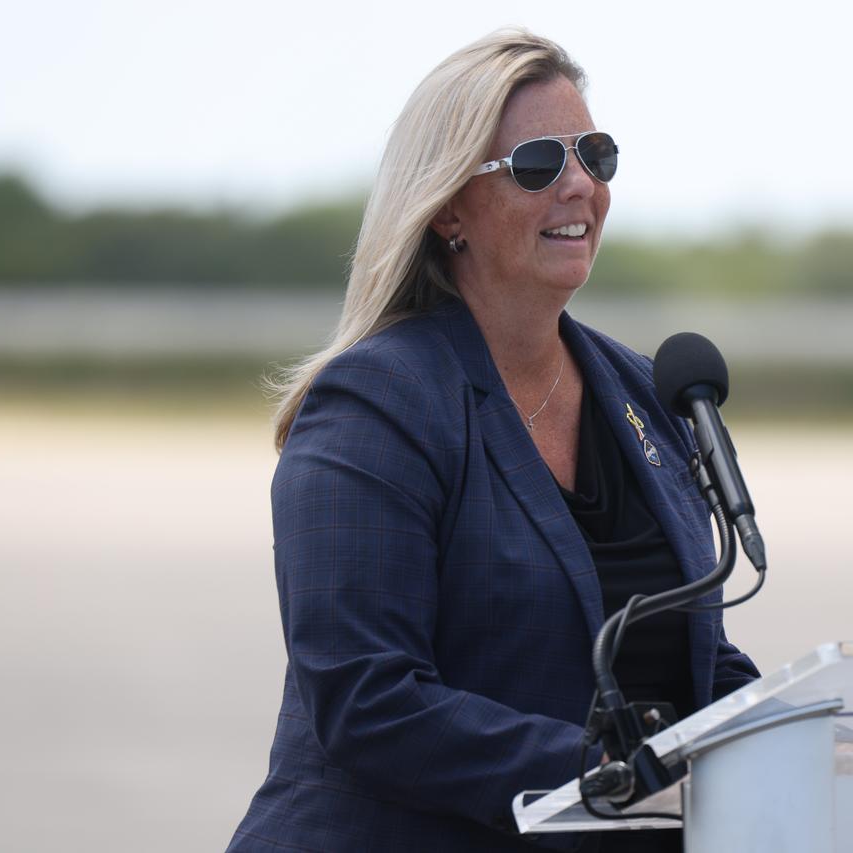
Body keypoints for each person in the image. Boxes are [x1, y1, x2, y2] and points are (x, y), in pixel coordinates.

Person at [227, 29, 758, 853]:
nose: (580, 184)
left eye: (596, 155)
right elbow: (367, 698)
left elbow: (692, 658)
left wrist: (796, 728)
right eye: (538, 164)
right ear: (448, 208)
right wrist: (601, 773)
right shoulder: (375, 403)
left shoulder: (646, 392)